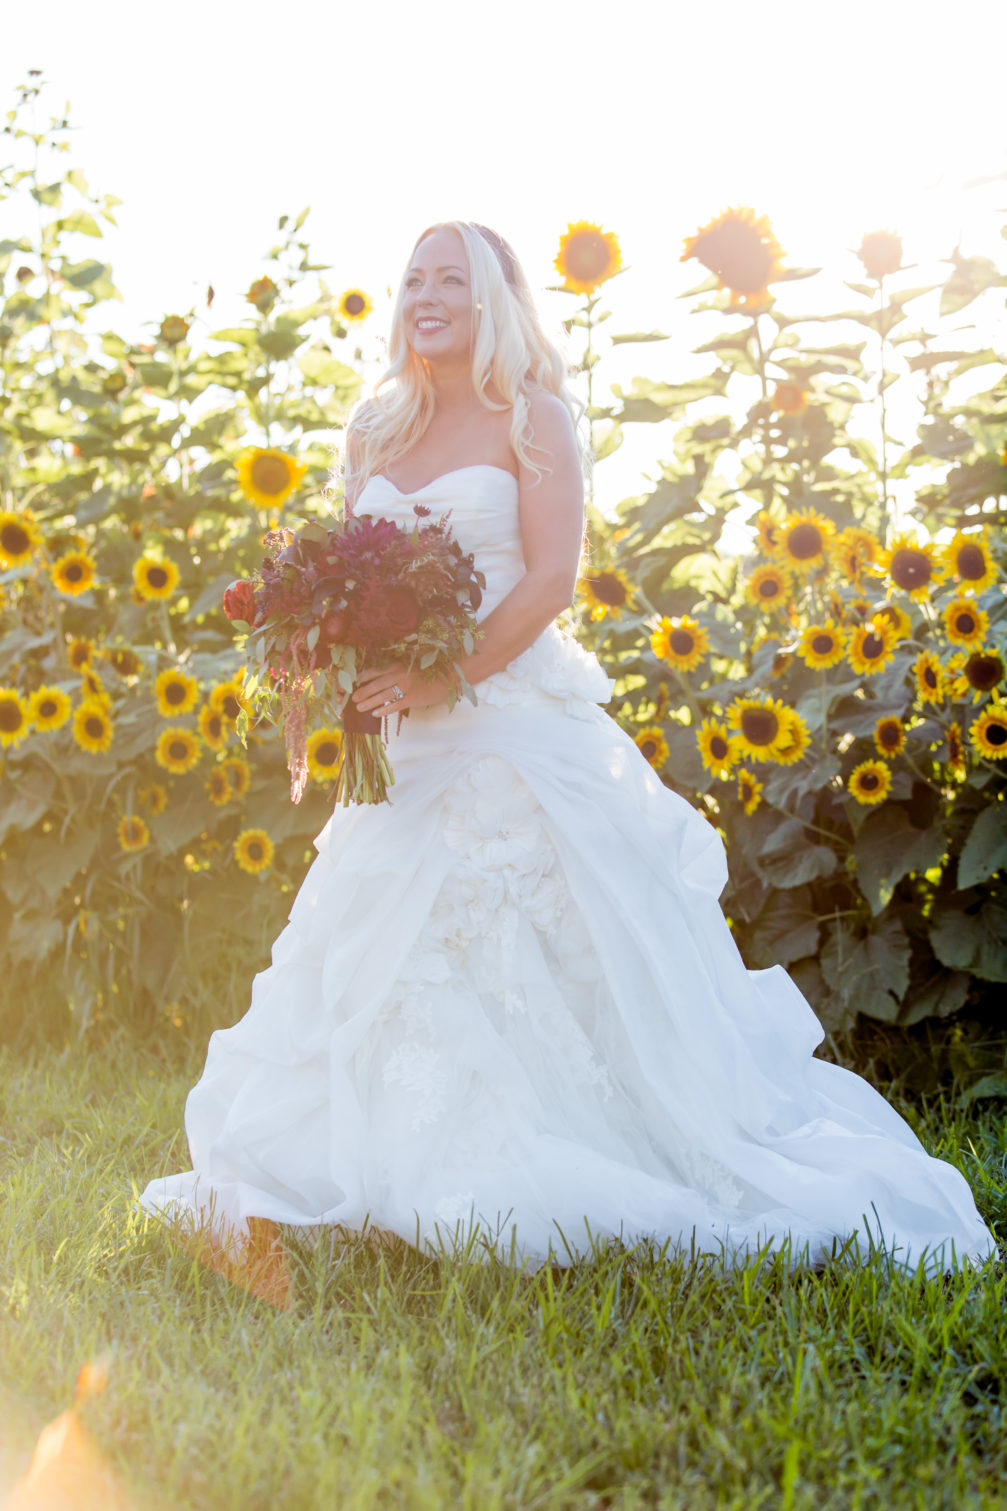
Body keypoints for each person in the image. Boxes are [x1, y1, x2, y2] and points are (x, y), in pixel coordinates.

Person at [137, 220, 997, 1280]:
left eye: (451, 277)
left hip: (508, 727)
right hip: (401, 740)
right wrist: (333, 647)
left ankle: (570, 1143)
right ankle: (383, 1149)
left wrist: (443, 674)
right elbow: (339, 561)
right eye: (412, 278)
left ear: (496, 299)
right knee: (380, 943)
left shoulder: (531, 416)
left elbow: (547, 580)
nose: (425, 293)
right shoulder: (373, 427)